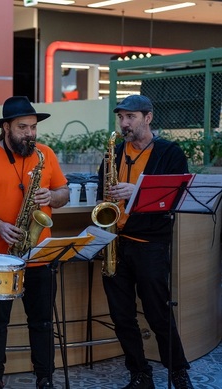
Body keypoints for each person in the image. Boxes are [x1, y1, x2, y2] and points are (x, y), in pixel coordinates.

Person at [0, 96, 69, 389]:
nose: (30, 133)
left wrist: (52, 197)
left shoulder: (45, 154)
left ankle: (45, 378)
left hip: (40, 254)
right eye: (23, 127)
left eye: (33, 127)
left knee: (43, 322)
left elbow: (64, 192)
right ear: (6, 127)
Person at [97, 94, 193, 389]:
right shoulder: (113, 152)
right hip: (116, 241)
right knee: (121, 315)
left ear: (148, 118)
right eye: (121, 118)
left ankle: (178, 372)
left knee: (157, 311)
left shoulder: (169, 153)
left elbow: (173, 198)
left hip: (150, 244)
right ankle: (139, 374)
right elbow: (103, 188)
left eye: (131, 117)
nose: (124, 124)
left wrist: (134, 192)